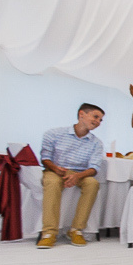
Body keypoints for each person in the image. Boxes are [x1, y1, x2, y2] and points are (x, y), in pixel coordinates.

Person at [37, 103, 105, 248]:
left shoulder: (96, 143)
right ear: (81, 114)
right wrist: (55, 168)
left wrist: (78, 176)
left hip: (80, 173)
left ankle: (76, 230)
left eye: (100, 120)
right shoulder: (54, 134)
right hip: (55, 170)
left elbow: (94, 168)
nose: (98, 122)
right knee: (52, 183)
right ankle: (49, 233)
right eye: (95, 117)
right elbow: (45, 158)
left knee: (93, 183)